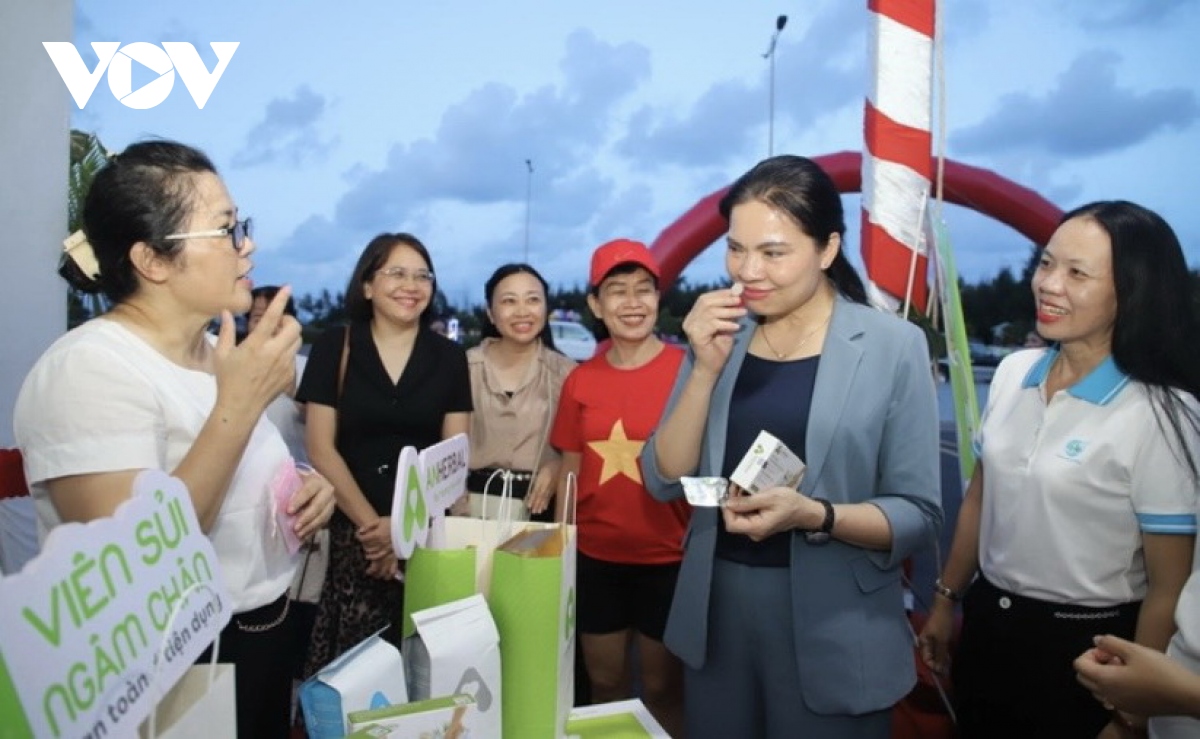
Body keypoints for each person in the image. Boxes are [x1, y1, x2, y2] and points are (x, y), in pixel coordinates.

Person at [12, 140, 336, 739]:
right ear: (153, 261)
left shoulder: (219, 354)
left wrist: (309, 488)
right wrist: (238, 407)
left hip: (261, 640)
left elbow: (240, 476)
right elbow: (142, 563)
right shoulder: (88, 370)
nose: (247, 245)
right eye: (226, 228)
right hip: (166, 669)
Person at [641, 155, 942, 738]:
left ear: (827, 249)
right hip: (719, 613)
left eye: (773, 253)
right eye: (735, 249)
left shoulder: (891, 346)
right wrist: (702, 368)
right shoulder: (721, 335)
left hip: (836, 622)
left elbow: (920, 514)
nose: (748, 270)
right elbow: (663, 478)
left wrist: (815, 514)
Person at [920, 201, 1200, 738]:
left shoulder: (1163, 412)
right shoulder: (1013, 371)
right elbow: (981, 498)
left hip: (1091, 655)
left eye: (1077, 273)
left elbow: (1169, 587)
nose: (1048, 284)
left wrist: (1129, 714)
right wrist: (944, 601)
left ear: (1132, 291)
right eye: (1046, 264)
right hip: (989, 628)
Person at [297, 232, 472, 674]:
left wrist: (404, 527)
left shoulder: (450, 358)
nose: (410, 285)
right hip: (355, 538)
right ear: (368, 285)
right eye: (396, 272)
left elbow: (453, 459)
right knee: (354, 676)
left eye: (422, 275)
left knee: (424, 672)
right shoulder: (334, 347)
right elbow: (321, 447)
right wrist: (374, 530)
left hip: (427, 540)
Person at [549, 239, 690, 737]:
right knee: (605, 683)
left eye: (643, 290)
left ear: (658, 298)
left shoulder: (689, 372)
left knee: (663, 688)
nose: (632, 303)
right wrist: (560, 552)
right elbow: (569, 470)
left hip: (670, 560)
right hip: (597, 562)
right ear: (595, 305)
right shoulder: (580, 382)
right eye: (617, 291)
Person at [462, 263, 575, 522]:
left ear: (546, 309)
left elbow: (579, 448)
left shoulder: (568, 374)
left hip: (539, 506)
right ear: (491, 313)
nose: (522, 311)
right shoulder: (463, 368)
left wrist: (557, 466)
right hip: (469, 509)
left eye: (533, 300)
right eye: (509, 301)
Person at [247, 285, 308, 464]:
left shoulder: (310, 366)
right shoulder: (230, 365)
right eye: (258, 319)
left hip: (296, 470)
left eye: (277, 320)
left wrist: (294, 393)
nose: (268, 327)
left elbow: (326, 429)